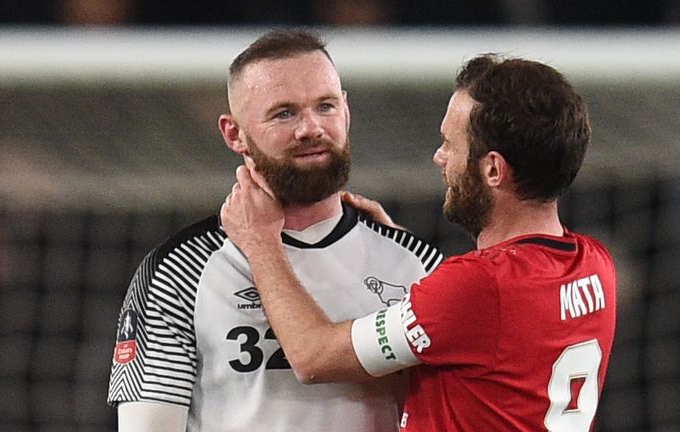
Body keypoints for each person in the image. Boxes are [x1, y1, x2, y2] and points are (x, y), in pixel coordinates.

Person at [221, 54, 617, 431]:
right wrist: (400, 251)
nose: (439, 157)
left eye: (451, 145)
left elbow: (313, 356)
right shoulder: (595, 264)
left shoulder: (476, 288)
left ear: (493, 169)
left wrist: (261, 243)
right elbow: (494, 327)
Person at [106, 29, 444, 432]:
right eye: (284, 113)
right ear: (234, 133)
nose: (311, 128)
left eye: (326, 106)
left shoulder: (417, 263)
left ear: (347, 112)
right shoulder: (178, 271)